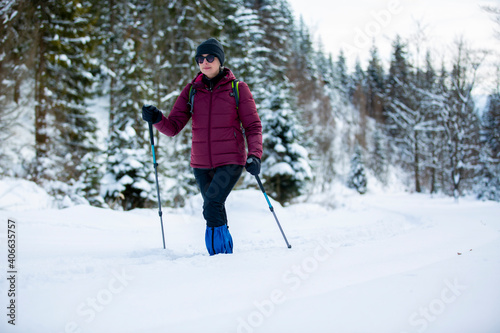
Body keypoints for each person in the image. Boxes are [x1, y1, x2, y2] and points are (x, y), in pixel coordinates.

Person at [142, 38, 263, 256]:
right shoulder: (192, 91)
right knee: (215, 207)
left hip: (231, 160)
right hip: (201, 163)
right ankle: (225, 254)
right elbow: (173, 127)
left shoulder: (237, 89)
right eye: (200, 58)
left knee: (211, 205)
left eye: (210, 57)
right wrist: (157, 117)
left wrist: (255, 155)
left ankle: (217, 256)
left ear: (220, 60)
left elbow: (253, 126)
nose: (204, 62)